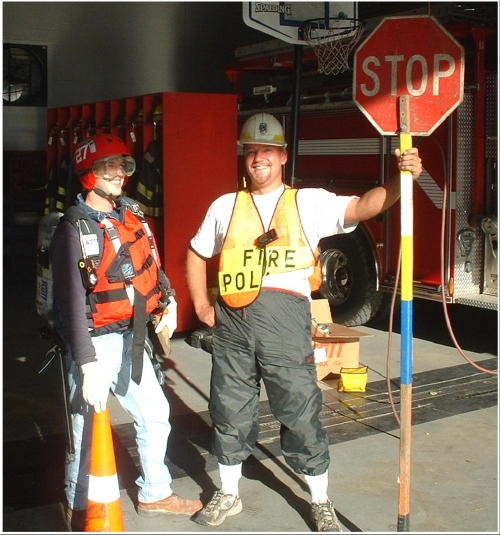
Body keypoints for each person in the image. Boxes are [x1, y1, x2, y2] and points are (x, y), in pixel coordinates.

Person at [185, 112, 422, 532]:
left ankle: (320, 498)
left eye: (268, 151)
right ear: (245, 156)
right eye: (252, 151)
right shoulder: (225, 206)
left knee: (298, 408)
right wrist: (202, 305)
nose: (259, 158)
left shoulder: (307, 201)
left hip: (285, 324)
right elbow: (197, 252)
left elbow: (365, 206)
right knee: (229, 407)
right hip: (233, 326)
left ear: (283, 156)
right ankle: (229, 491)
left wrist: (399, 177)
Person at [51, 133, 202, 531]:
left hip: (130, 337)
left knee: (155, 413)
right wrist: (86, 364)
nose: (120, 173)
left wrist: (168, 299)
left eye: (123, 165)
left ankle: (155, 492)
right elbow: (68, 305)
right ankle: (78, 503)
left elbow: (149, 262)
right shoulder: (73, 230)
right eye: (109, 166)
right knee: (86, 427)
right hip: (95, 342)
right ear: (89, 173)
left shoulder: (130, 213)